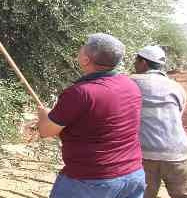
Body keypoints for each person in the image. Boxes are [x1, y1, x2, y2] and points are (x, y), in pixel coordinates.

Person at [37, 33, 145, 198]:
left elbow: (46, 131)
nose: (79, 49)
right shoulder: (130, 85)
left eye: (83, 47)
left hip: (90, 181)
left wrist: (44, 115)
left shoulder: (80, 93)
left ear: (86, 60)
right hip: (132, 176)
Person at [132, 46, 187, 198]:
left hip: (145, 155)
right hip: (178, 153)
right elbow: (178, 114)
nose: (134, 64)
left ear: (143, 63)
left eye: (136, 61)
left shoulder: (130, 82)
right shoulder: (176, 87)